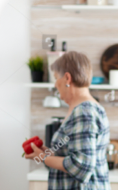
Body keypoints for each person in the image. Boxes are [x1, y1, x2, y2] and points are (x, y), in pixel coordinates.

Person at [25, 51, 111, 190]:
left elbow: (81, 167)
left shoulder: (84, 112)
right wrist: (49, 154)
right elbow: (74, 157)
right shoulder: (84, 109)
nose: (55, 85)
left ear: (67, 78)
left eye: (55, 78)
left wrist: (44, 158)